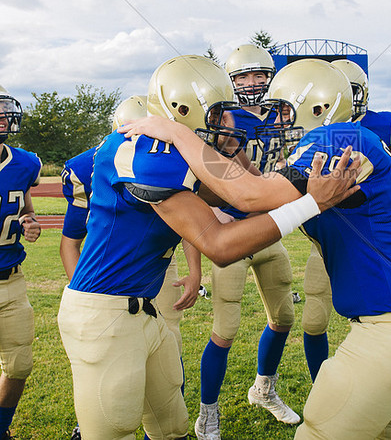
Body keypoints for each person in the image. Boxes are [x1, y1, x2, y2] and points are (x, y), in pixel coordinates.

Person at [124, 59, 391, 439]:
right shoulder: (345, 139)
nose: (275, 122)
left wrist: (178, 134)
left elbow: (248, 195)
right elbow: (256, 185)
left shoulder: (337, 139)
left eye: (283, 111)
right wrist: (228, 151)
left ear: (318, 109)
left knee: (317, 434)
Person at [58, 55, 359, 440]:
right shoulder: (147, 152)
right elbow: (219, 244)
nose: (227, 122)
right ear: (182, 110)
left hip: (145, 310)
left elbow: (243, 192)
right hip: (105, 313)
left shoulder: (176, 151)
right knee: (113, 431)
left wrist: (232, 153)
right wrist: (311, 203)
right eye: (218, 114)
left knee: (172, 428)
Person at [60, 95, 202, 440]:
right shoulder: (97, 165)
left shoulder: (175, 164)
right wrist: (93, 302)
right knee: (113, 423)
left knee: (171, 417)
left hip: (147, 296)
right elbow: (71, 240)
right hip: (108, 298)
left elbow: (198, 221)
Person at [193, 44, 298, 440]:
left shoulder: (284, 114)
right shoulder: (220, 116)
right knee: (225, 328)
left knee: (284, 317)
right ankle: (208, 412)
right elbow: (208, 179)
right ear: (230, 82)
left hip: (268, 228)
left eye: (259, 75)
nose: (251, 84)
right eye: (242, 77)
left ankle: (263, 389)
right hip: (233, 229)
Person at [299, 58, 391, 382]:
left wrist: (380, 167)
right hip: (328, 241)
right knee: (314, 322)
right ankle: (319, 385)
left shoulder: (376, 127)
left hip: (368, 233)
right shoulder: (311, 133)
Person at [0, 86, 42, 439]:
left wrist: (31, 223)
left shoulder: (25, 163)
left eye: (2, 109)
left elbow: (26, 209)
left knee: (19, 366)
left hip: (12, 280)